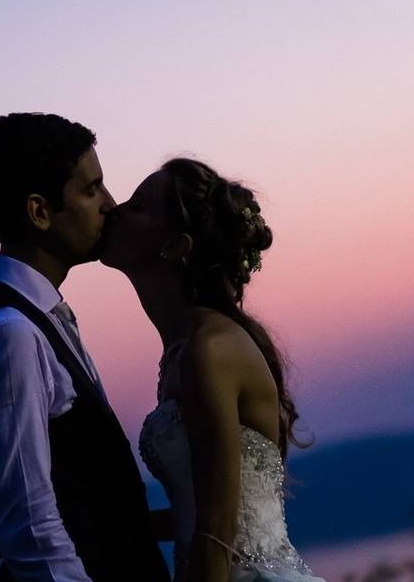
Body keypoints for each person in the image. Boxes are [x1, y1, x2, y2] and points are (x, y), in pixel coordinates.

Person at [0, 113, 171, 581]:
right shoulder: (11, 334)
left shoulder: (37, 320)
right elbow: (28, 526)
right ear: (40, 212)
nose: (111, 204)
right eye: (91, 190)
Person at [100, 157, 325, 582]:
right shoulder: (187, 348)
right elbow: (199, 513)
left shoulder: (210, 351)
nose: (114, 208)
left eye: (137, 205)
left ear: (175, 245)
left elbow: (216, 537)